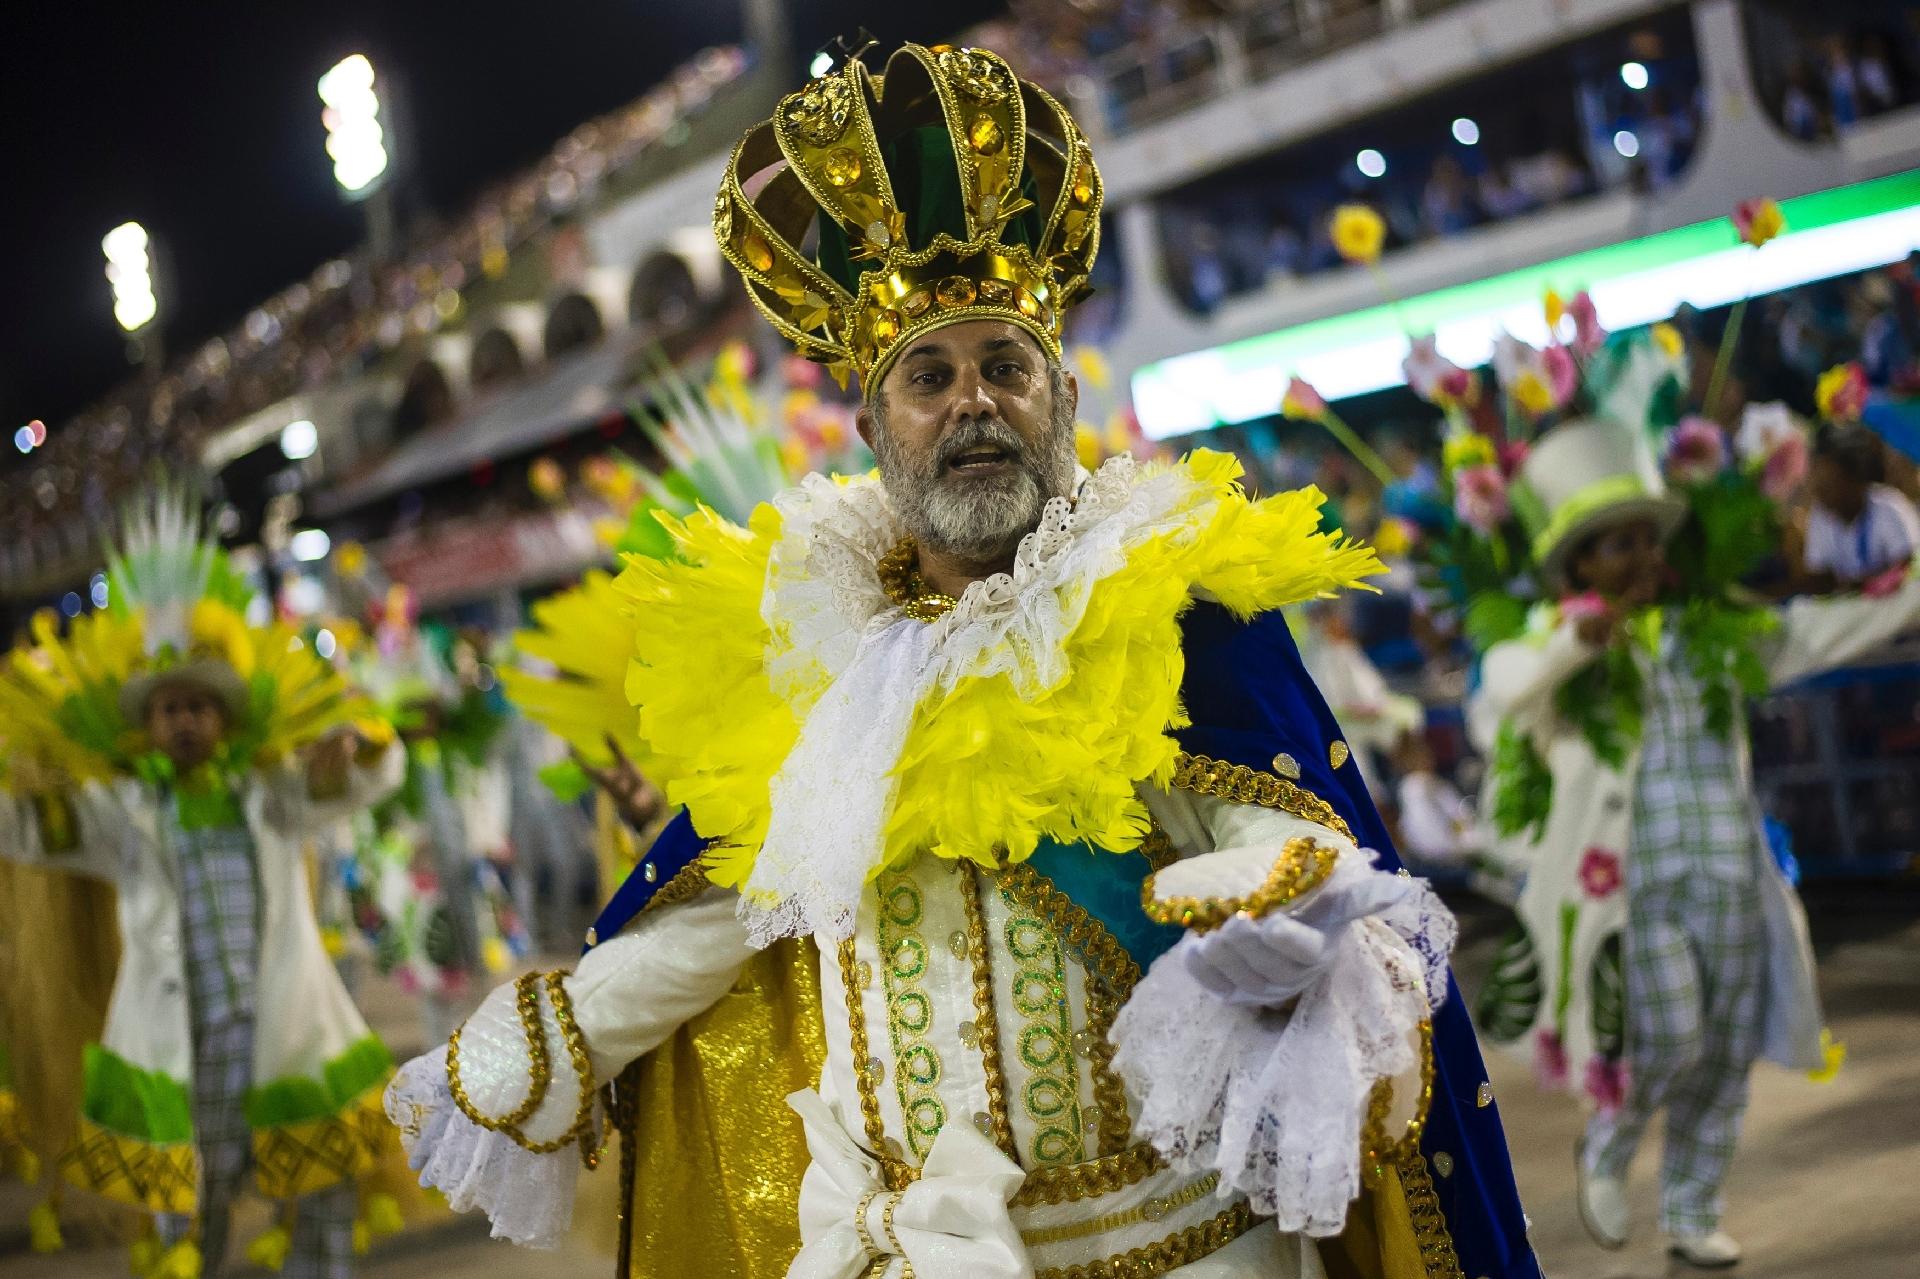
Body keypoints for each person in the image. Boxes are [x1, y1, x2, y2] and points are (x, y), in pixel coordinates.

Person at [387, 41, 1542, 1279]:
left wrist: (1294, 914)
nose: (972, 402)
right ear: (877, 426)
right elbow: (736, 909)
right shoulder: (813, 662)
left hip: (1186, 1249)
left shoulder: (1166, 605)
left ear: (1058, 397)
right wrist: (567, 1033)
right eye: (927, 377)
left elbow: (1262, 833)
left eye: (1005, 366)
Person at [1470, 419, 1920, 1268]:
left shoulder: (1718, 634)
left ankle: (1691, 1206)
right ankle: (1608, 1142)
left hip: (1730, 877)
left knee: (1724, 1052)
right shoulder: (1555, 648)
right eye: (1613, 545)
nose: (1638, 556)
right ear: (1577, 569)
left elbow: (1827, 628)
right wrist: (1575, 639)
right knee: (1670, 1039)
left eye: (1646, 538)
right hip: (1632, 891)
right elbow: (1501, 693)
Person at [0, 494, 405, 1279]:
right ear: (147, 726)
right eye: (168, 709)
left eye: (197, 707)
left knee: (322, 1188)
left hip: (284, 1030)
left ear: (223, 718)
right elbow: (29, 832)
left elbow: (364, 783)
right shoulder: (123, 812)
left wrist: (358, 752)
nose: (184, 720)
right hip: (184, 1048)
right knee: (193, 1207)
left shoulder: (272, 794)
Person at [1801, 422, 1920, 589]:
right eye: (1818, 485)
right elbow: (1821, 577)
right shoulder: (1820, 517)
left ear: (1855, 478)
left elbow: (1906, 567)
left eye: (1829, 485)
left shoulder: (1890, 508)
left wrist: (1862, 585)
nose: (1820, 493)